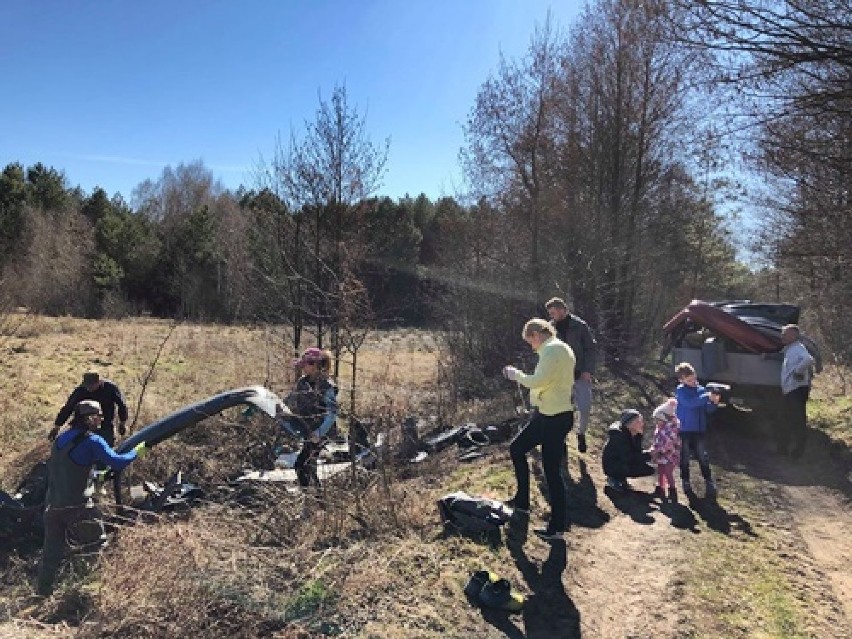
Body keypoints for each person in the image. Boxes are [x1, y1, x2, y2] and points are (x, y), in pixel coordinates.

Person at [37, 400, 146, 596]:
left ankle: (42, 594)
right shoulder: (93, 441)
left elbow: (73, 467)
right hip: (78, 507)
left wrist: (97, 475)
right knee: (96, 547)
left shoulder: (61, 439)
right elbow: (117, 462)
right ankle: (90, 596)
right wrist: (136, 452)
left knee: (51, 555)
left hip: (52, 506)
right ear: (88, 418)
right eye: (98, 416)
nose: (100, 420)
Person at [502, 318, 575, 541]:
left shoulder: (552, 350)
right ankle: (522, 502)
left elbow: (538, 381)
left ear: (536, 335)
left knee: (552, 473)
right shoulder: (559, 348)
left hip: (554, 418)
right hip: (547, 414)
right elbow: (547, 382)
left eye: (529, 341)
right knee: (517, 449)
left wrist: (516, 375)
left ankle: (557, 528)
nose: (530, 346)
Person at [278, 347, 338, 488]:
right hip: (308, 429)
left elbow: (332, 413)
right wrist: (280, 406)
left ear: (314, 365)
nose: (302, 367)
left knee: (302, 465)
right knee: (309, 466)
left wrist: (319, 433)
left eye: (305, 364)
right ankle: (316, 500)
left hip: (321, 432)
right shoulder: (302, 382)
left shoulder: (326, 386)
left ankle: (311, 499)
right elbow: (292, 398)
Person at [545, 297, 597, 454]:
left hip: (580, 374)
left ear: (562, 309)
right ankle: (562, 439)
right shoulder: (549, 328)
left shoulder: (579, 326)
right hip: (560, 377)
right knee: (562, 410)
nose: (552, 315)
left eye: (554, 312)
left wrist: (588, 370)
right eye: (550, 313)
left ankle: (581, 433)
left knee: (585, 407)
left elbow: (590, 348)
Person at [674, 362, 721, 497]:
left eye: (694, 378)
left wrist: (713, 402)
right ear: (681, 380)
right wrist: (706, 397)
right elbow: (690, 403)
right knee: (684, 457)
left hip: (699, 430)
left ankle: (708, 480)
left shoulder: (701, 390)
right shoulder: (681, 390)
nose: (693, 382)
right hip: (684, 429)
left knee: (702, 456)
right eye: (689, 380)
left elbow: (708, 409)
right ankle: (685, 480)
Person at [50, 371, 129, 447]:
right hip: (84, 426)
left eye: (91, 385)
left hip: (105, 423)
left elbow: (121, 405)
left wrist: (122, 422)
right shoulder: (81, 390)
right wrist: (57, 426)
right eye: (87, 385)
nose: (88, 388)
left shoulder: (110, 388)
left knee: (106, 447)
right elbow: (68, 407)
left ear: (98, 382)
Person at [779, 324, 815, 459]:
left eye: (785, 334)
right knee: (785, 420)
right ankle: (783, 449)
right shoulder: (790, 349)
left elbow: (809, 359)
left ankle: (797, 453)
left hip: (797, 390)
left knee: (797, 421)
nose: (782, 336)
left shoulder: (799, 348)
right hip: (790, 390)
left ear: (794, 335)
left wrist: (798, 371)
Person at [602, 409, 655, 491]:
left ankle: (621, 479)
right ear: (630, 424)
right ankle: (613, 479)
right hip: (612, 466)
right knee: (634, 466)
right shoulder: (619, 436)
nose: (642, 424)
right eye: (638, 421)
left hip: (622, 462)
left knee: (648, 469)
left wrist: (639, 437)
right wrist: (648, 455)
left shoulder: (633, 433)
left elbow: (636, 452)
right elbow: (628, 458)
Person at [650, 399, 681, 502]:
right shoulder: (659, 427)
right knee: (660, 471)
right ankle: (660, 489)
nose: (656, 422)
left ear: (665, 418)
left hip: (670, 455)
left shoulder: (672, 429)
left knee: (668, 472)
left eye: (658, 420)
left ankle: (672, 491)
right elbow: (656, 439)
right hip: (660, 454)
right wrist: (654, 447)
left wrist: (658, 450)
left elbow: (669, 443)